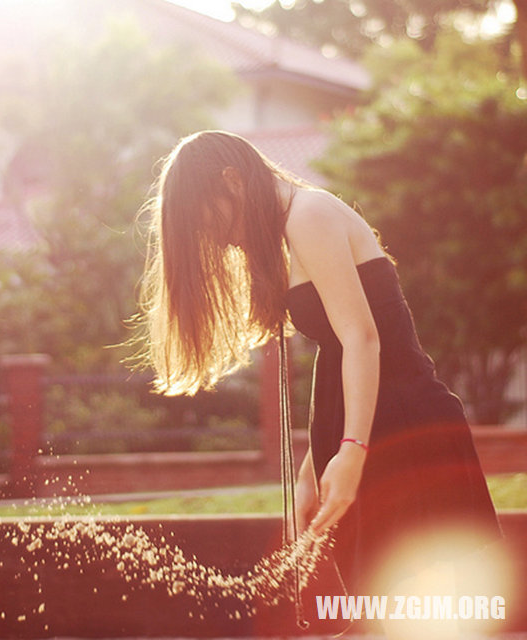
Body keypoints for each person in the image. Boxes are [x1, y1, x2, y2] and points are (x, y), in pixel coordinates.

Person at [133, 130, 503, 638]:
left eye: (211, 221)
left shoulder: (310, 215)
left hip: (403, 428)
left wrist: (351, 451)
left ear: (233, 182)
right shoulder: (286, 234)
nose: (218, 240)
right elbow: (337, 354)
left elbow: (363, 340)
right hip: (365, 428)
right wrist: (313, 466)